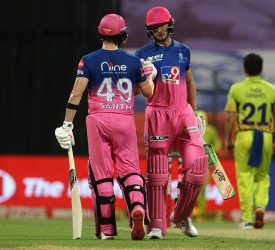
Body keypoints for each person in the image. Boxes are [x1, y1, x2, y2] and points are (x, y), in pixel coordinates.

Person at [54, 14, 156, 240]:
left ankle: (107, 230)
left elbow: (76, 93)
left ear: (101, 33)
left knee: (101, 176)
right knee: (130, 171)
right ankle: (137, 208)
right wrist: (150, 76)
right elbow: (147, 92)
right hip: (124, 120)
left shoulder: (88, 60)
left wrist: (66, 124)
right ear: (123, 35)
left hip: (98, 120)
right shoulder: (133, 61)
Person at [135, 6, 208, 239]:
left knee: (197, 169)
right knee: (157, 174)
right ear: (150, 30)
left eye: (162, 25)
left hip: (183, 113)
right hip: (157, 114)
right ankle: (156, 225)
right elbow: (136, 91)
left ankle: (181, 216)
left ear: (170, 24)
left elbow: (190, 83)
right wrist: (146, 78)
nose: (159, 30)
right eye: (154, 27)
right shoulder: (142, 55)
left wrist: (194, 113)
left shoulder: (183, 51)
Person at [224, 53, 275, 229]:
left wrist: (228, 139)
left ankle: (248, 217)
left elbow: (230, 117)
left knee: (245, 176)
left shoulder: (236, 89)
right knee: (262, 175)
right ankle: (260, 207)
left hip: (245, 135)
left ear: (245, 69)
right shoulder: (272, 90)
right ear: (261, 69)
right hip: (265, 135)